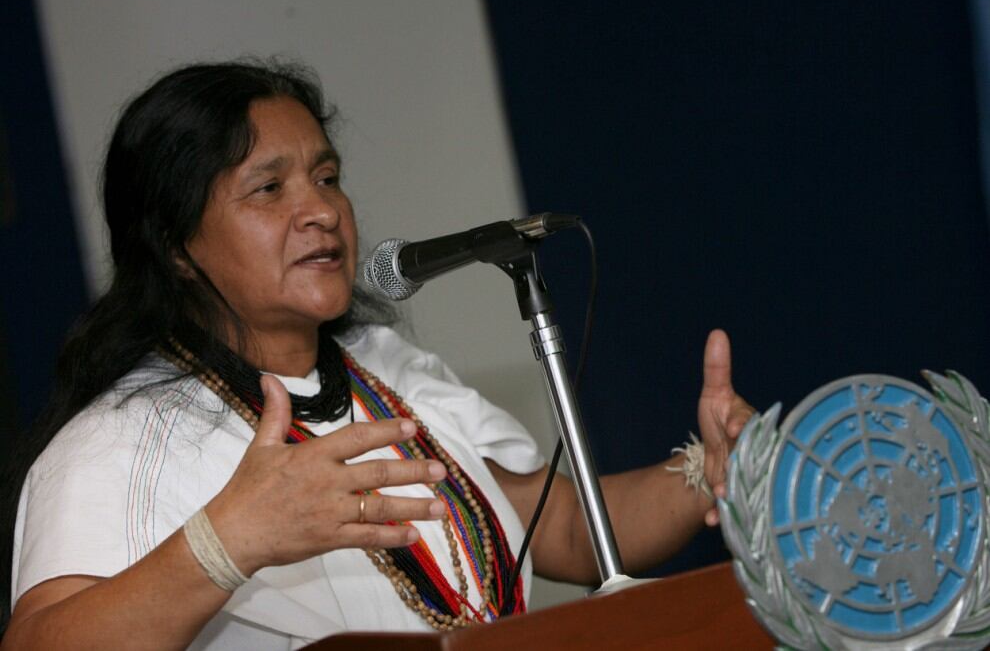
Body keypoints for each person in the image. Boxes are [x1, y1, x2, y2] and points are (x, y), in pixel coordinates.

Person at [0, 60, 753, 649]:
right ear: (176, 247)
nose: (322, 209)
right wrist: (228, 542)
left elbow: (562, 531)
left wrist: (706, 475)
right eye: (269, 188)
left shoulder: (385, 368)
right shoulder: (118, 444)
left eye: (327, 177)